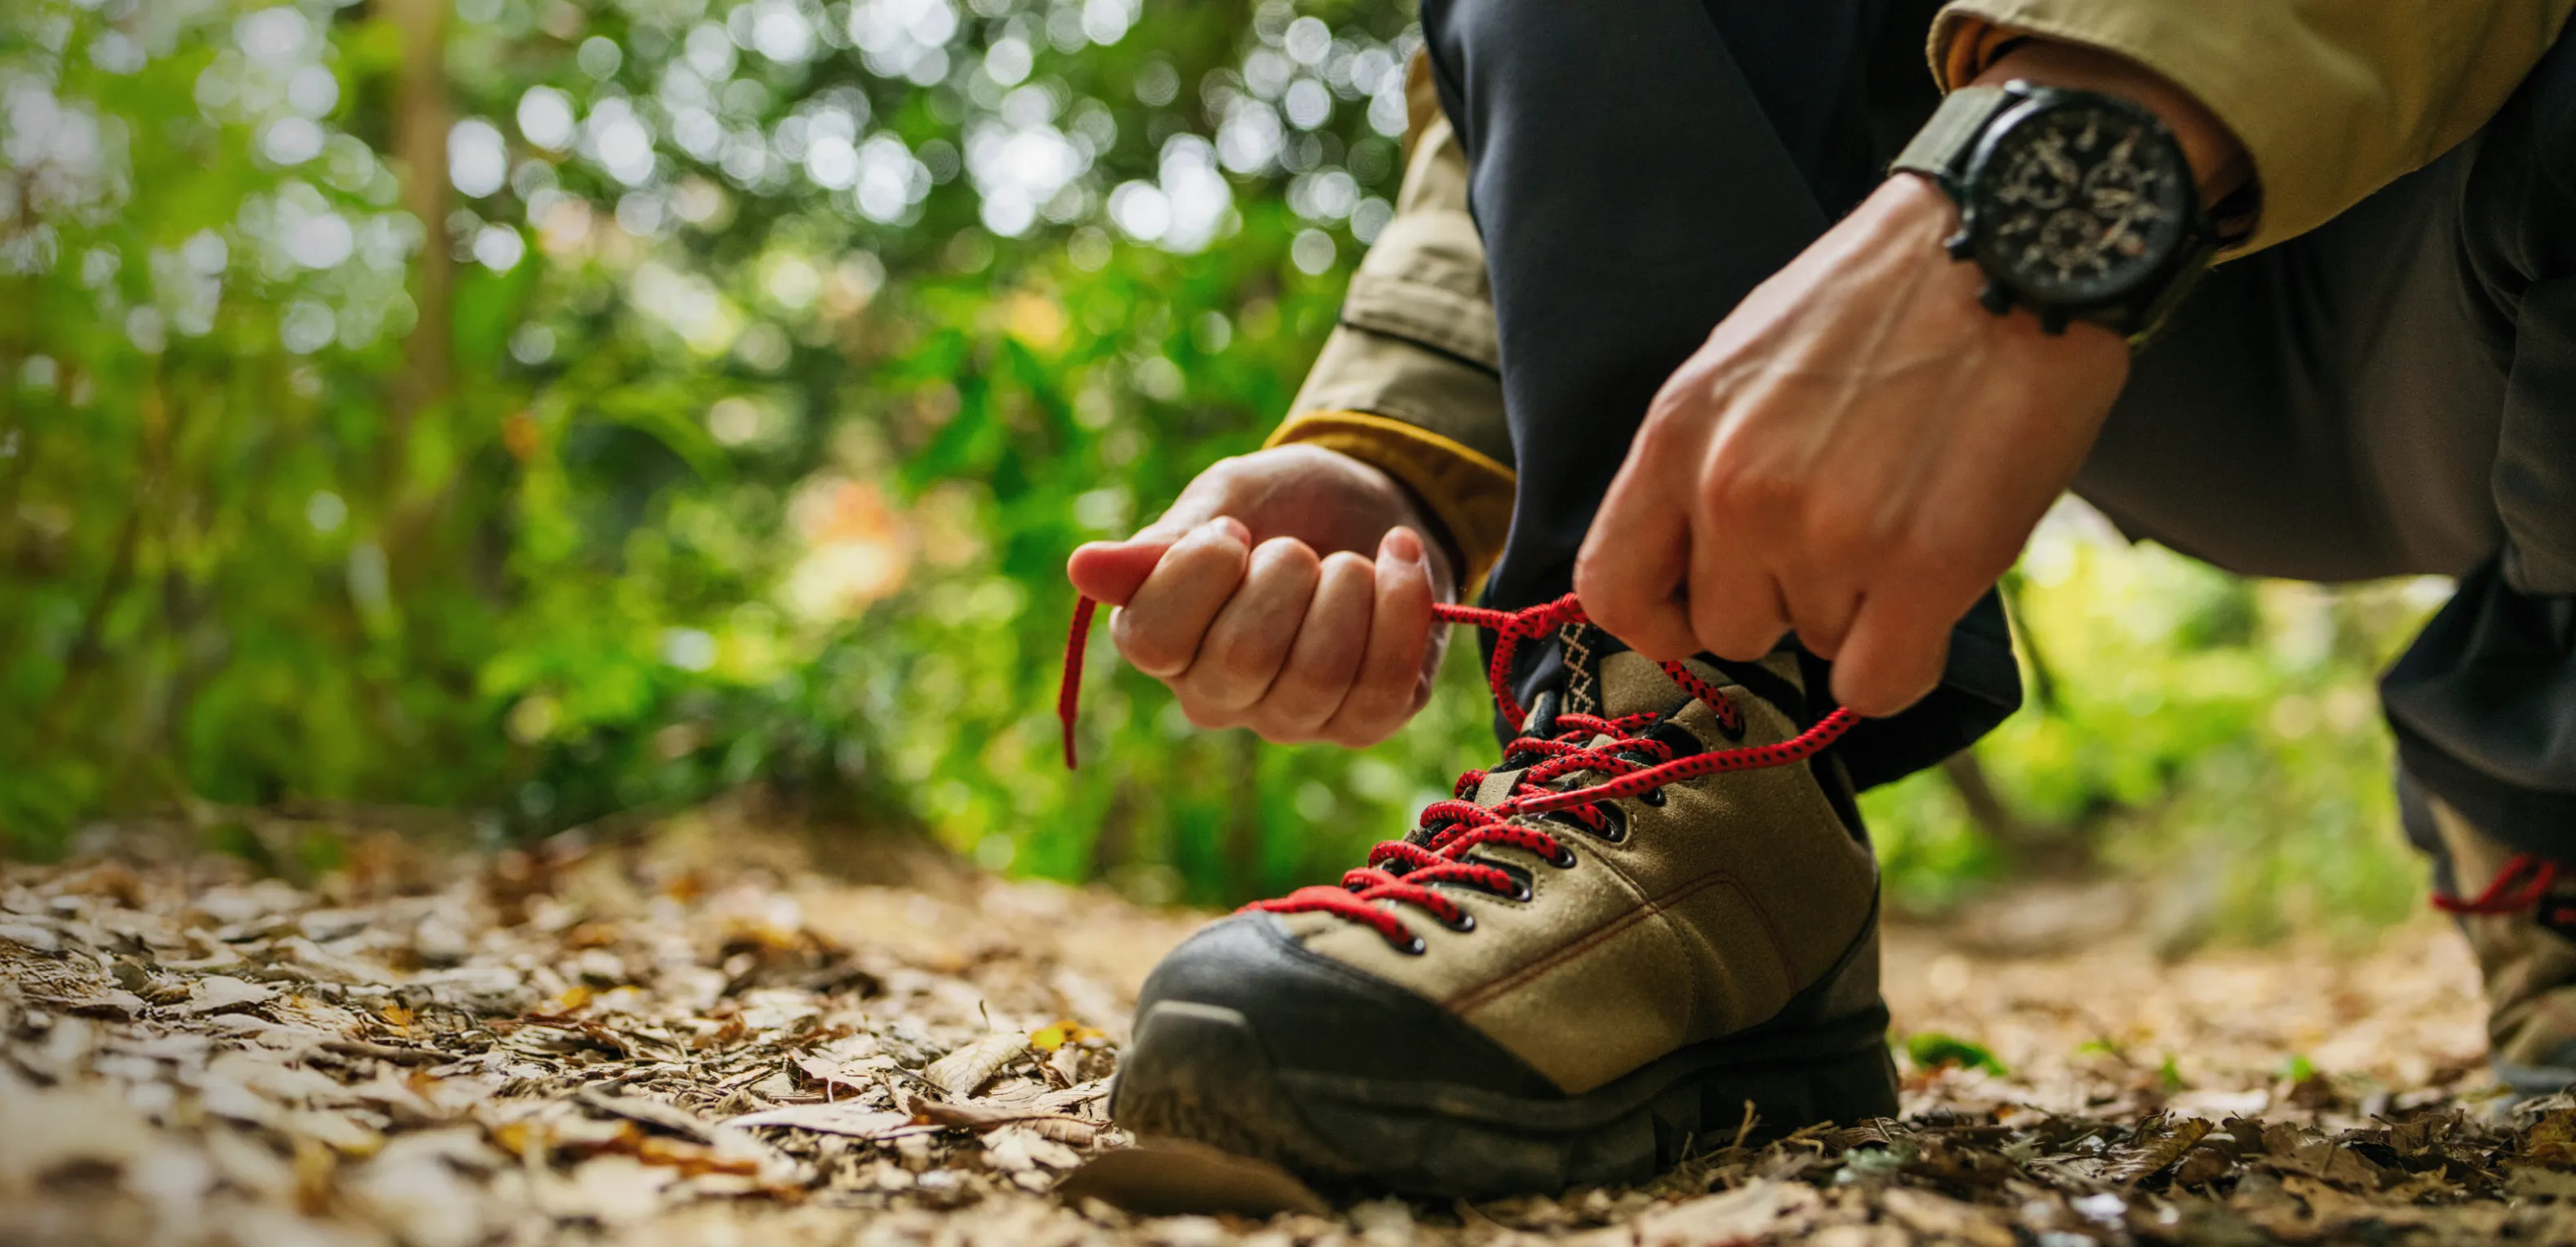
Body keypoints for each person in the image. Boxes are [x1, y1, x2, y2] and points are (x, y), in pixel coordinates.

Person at [1064, 0, 2576, 1196]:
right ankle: (1706, 763)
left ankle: (2538, 732)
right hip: (2096, 313)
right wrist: (1399, 445)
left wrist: (2059, 170)